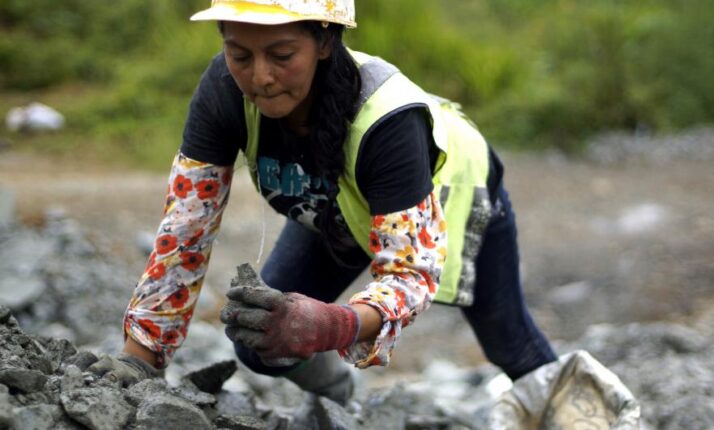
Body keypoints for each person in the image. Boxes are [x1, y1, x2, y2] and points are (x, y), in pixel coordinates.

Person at [88, 0, 557, 404]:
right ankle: (341, 394)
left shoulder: (389, 123)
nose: (262, 77)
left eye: (283, 55)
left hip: (455, 195)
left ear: (326, 42)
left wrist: (332, 325)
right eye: (240, 54)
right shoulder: (224, 91)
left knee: (508, 344)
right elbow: (185, 228)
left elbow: (411, 272)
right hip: (336, 212)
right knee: (263, 339)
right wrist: (141, 359)